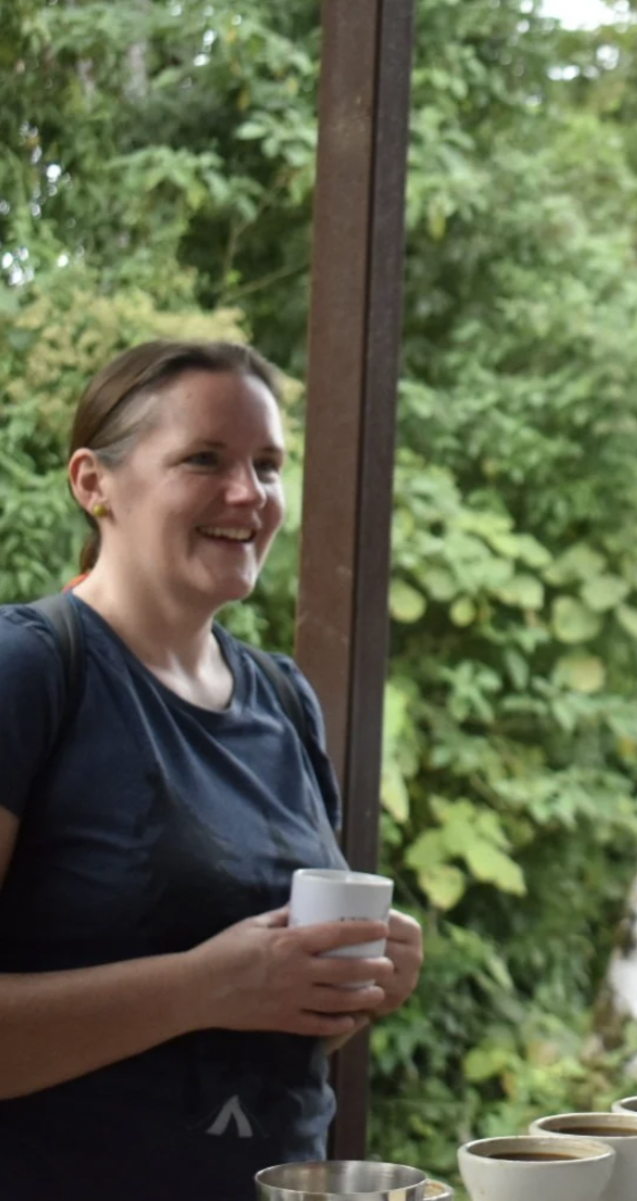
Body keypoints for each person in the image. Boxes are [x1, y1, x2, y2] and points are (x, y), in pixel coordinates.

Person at [0, 341, 424, 1199]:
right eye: (205, 459)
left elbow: (262, 1023)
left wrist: (344, 985)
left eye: (269, 466)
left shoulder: (283, 698)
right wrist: (204, 985)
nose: (249, 496)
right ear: (94, 483)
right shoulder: (31, 669)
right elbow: (217, 991)